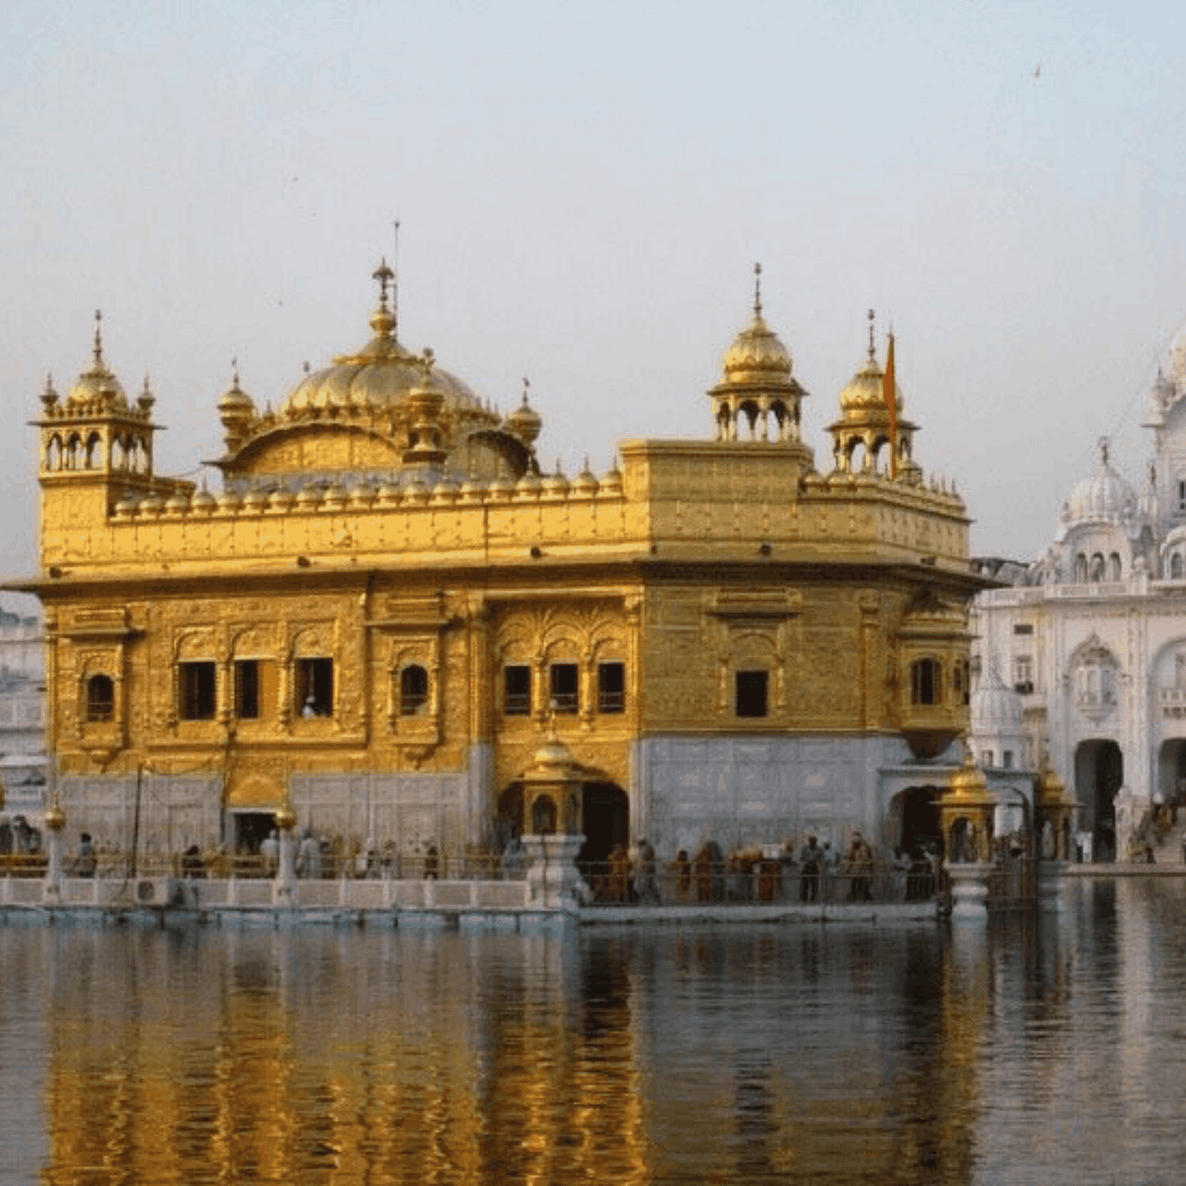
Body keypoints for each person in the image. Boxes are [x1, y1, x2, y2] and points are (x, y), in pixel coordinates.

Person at [846, 830, 874, 902]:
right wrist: (848, 868)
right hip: (856, 871)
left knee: (862, 885)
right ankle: (855, 898)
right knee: (855, 884)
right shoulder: (853, 848)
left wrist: (870, 869)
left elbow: (868, 859)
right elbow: (851, 858)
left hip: (863, 871)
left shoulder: (864, 848)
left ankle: (863, 898)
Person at [799, 835, 822, 902]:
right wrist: (807, 860)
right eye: (811, 841)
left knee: (814, 884)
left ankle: (813, 899)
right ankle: (804, 899)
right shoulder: (805, 849)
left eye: (813, 841)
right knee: (805, 884)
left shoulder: (819, 849)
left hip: (814, 867)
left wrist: (816, 860)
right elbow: (802, 858)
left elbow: (821, 859)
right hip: (807, 867)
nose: (812, 842)